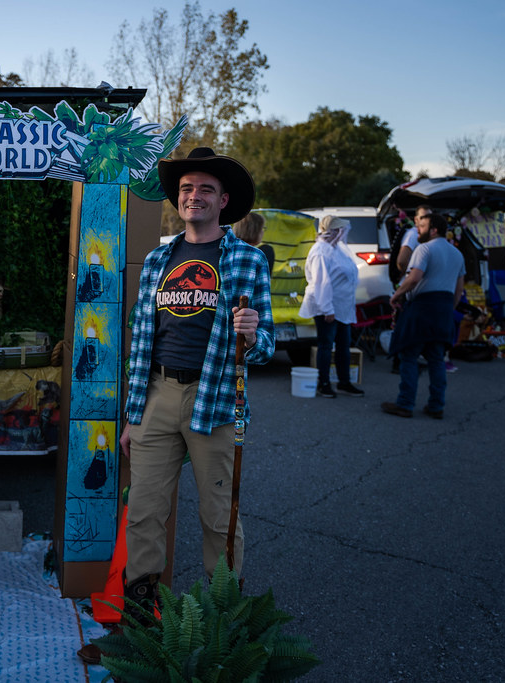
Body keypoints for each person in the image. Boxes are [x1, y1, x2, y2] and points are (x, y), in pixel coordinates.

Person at [119, 147, 274, 614]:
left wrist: (253, 334)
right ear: (178, 199)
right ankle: (141, 622)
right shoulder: (157, 259)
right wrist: (133, 416)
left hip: (218, 401)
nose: (194, 196)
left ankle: (222, 624)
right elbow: (143, 339)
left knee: (218, 517)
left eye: (206, 189)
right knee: (144, 513)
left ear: (223, 200)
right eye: (187, 189)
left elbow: (266, 347)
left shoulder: (248, 261)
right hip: (157, 397)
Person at [382, 213, 465, 419]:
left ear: (433, 229)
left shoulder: (424, 249)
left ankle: (405, 403)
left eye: (421, 226)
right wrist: (448, 308)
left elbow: (414, 278)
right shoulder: (457, 254)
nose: (417, 230)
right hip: (444, 309)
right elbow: (458, 289)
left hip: (422, 308)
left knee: (409, 356)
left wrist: (397, 295)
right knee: (436, 359)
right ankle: (436, 406)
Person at [297, 215, 365, 398]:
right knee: (326, 345)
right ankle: (323, 383)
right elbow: (321, 283)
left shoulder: (337, 250)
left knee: (343, 346)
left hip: (341, 307)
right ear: (335, 231)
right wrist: (327, 309)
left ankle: (344, 382)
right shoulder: (321, 251)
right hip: (327, 307)